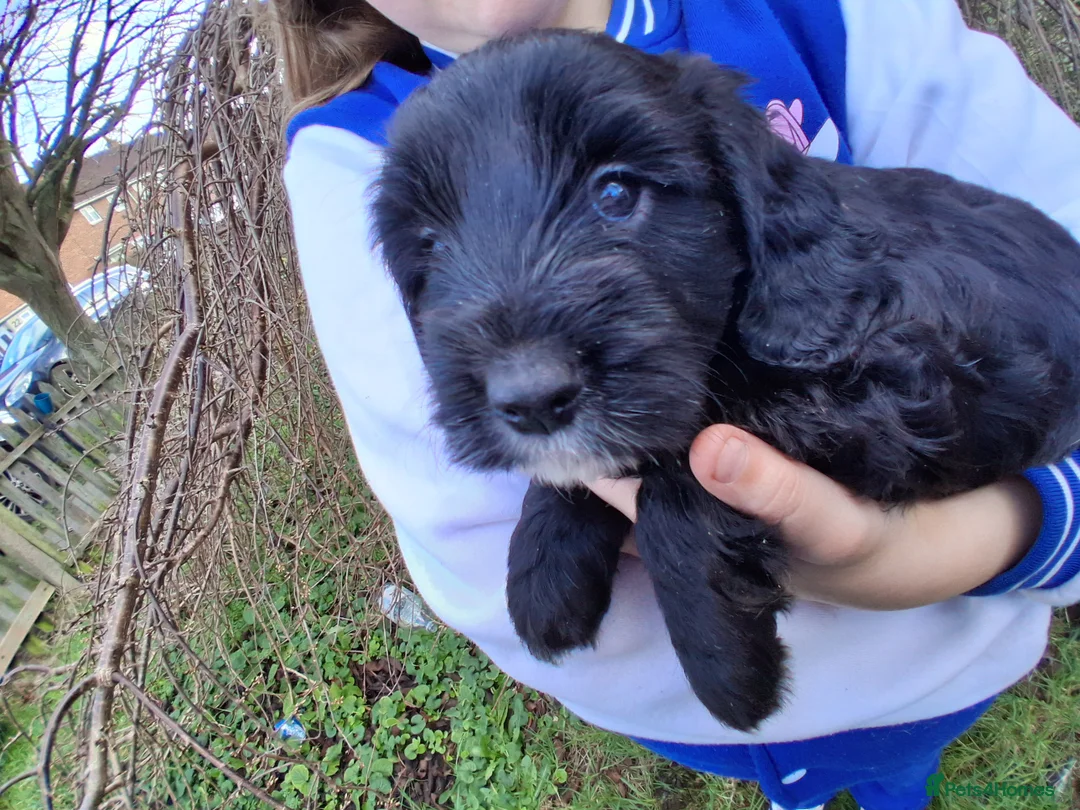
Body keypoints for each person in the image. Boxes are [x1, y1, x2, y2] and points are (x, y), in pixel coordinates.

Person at [272, 2, 1080, 808]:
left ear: (743, 199)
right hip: (706, 732)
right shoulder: (345, 155)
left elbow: (880, 373)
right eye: (436, 246)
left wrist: (691, 508)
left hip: (949, 673)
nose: (524, 376)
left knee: (898, 783)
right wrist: (570, 498)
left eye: (616, 194)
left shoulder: (819, 37)